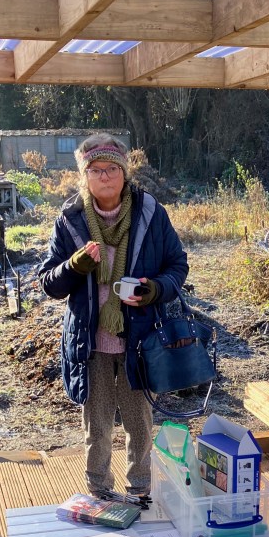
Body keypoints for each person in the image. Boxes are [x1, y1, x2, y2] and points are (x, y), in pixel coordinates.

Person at [39, 133, 189, 496]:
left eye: (112, 168)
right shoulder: (70, 220)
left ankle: (140, 489)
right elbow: (49, 283)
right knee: (97, 425)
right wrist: (74, 267)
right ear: (84, 176)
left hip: (140, 339)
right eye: (96, 170)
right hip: (91, 342)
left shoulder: (151, 213)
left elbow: (177, 266)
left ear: (124, 173)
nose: (104, 176)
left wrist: (155, 290)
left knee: (140, 424)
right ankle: (100, 492)